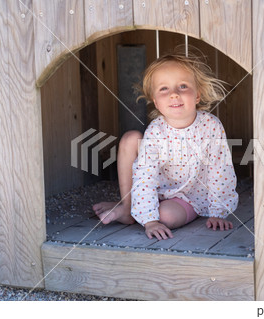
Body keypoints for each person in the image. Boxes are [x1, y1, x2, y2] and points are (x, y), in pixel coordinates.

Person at [93, 53, 239, 240]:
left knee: (166, 216)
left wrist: (218, 212)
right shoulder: (156, 131)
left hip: (190, 196)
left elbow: (220, 171)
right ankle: (128, 208)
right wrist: (149, 220)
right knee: (130, 139)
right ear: (156, 102)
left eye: (183, 86)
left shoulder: (211, 126)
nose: (174, 94)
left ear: (197, 95)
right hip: (160, 189)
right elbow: (145, 174)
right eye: (164, 89)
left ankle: (138, 209)